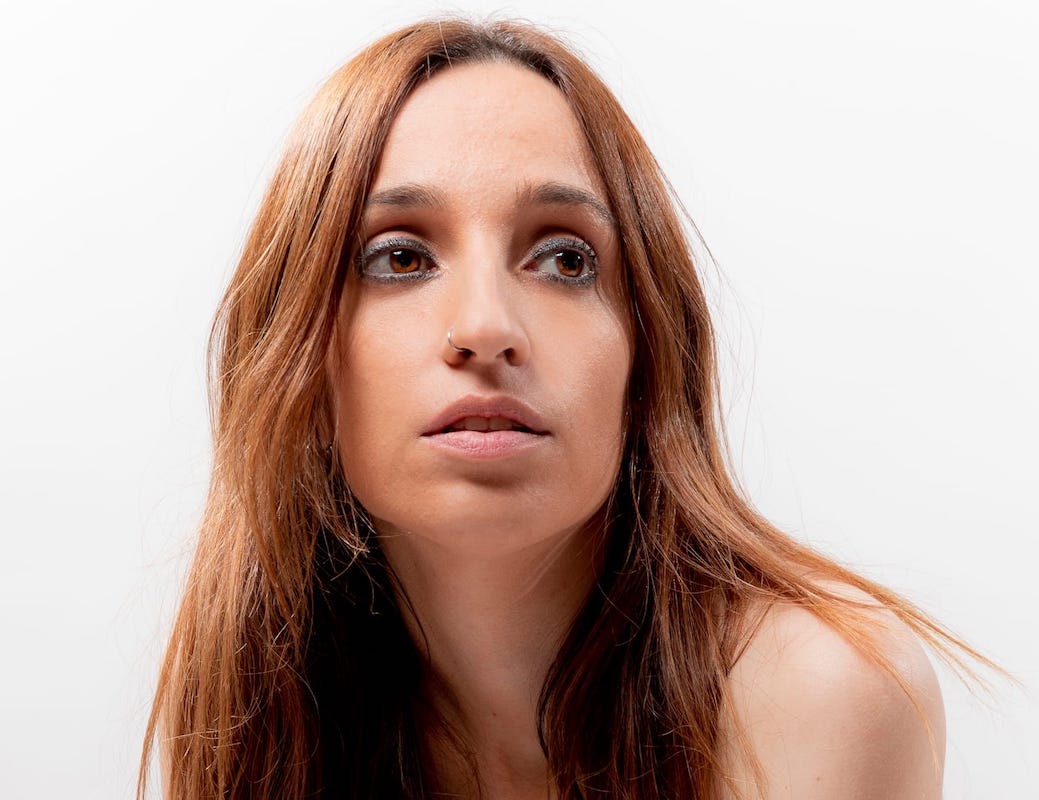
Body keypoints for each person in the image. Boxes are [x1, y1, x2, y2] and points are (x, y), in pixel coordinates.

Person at [141, 17, 993, 799]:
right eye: (398, 258)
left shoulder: (817, 697)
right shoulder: (256, 710)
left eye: (564, 259)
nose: (485, 328)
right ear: (299, 357)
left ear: (647, 354)